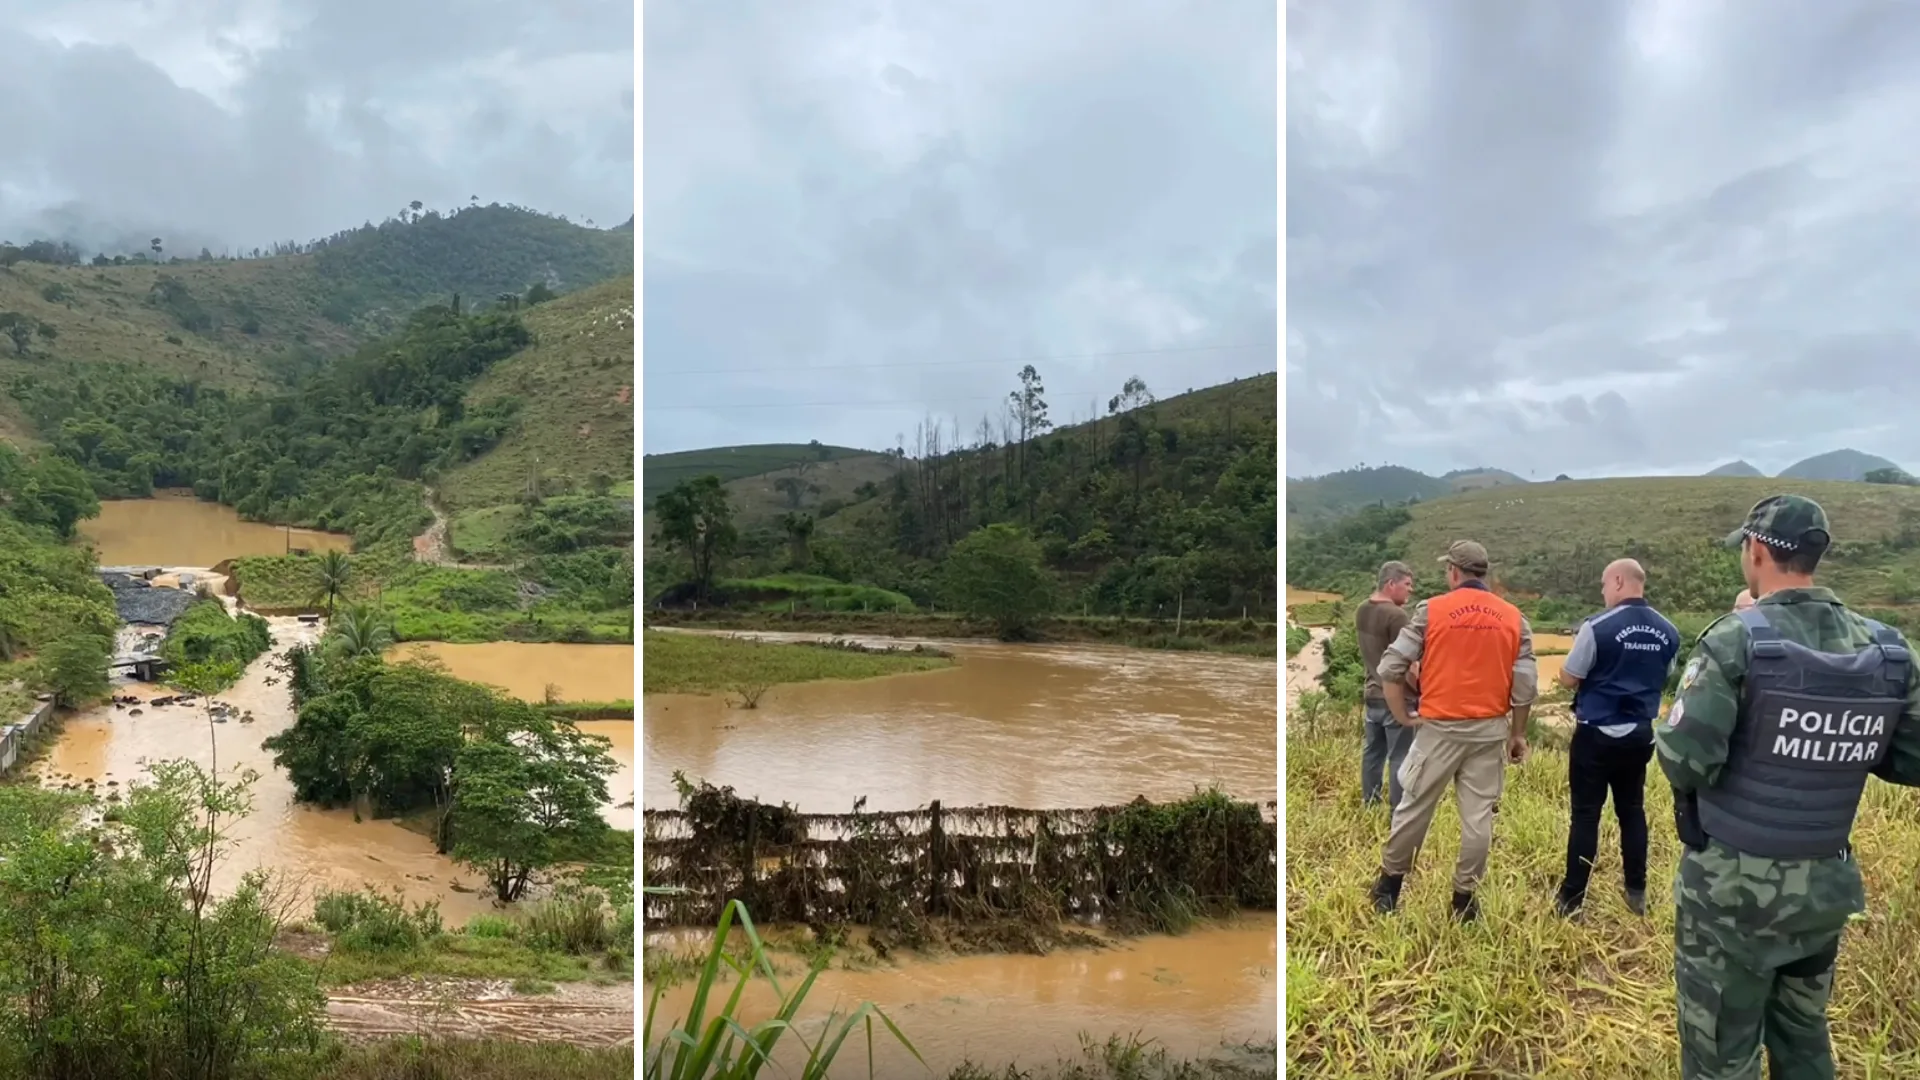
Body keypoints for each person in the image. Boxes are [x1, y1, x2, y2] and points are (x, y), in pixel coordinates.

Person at [1659, 495, 1920, 1077]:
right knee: (1803, 1037)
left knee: (1721, 1052)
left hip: (1732, 896)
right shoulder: (1888, 648)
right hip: (1824, 889)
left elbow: (1686, 762)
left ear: (1756, 551)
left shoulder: (1734, 641)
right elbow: (1911, 761)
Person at [1370, 540, 1538, 923]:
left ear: (1454, 572)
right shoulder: (1515, 618)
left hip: (1439, 729)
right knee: (1478, 818)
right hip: (1489, 731)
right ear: (1484, 573)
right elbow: (1525, 686)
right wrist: (1517, 734)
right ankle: (1464, 901)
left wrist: (1403, 715)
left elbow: (1391, 667)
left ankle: (1388, 890)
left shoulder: (1432, 611)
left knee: (1413, 809)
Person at [1552, 558, 1680, 918]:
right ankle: (1636, 892)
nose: (1603, 592)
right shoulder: (1668, 630)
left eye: (1605, 585)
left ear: (1620, 581)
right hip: (1639, 735)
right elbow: (1664, 675)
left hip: (1596, 735)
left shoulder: (1597, 627)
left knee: (1585, 816)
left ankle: (1572, 899)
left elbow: (1569, 678)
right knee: (1632, 811)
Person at [1356, 561, 1417, 809]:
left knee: (1373, 753)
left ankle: (1369, 804)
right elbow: (1409, 663)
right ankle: (1398, 812)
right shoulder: (1396, 615)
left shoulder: (1361, 609)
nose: (1410, 590)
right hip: (1395, 698)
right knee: (1400, 757)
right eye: (1407, 584)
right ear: (1391, 584)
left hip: (1371, 694)